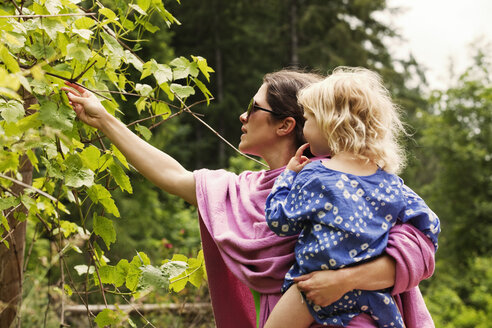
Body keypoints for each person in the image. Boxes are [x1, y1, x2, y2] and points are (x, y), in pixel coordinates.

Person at [62, 68, 437, 328]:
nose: (243, 115)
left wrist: (341, 280)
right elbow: (173, 175)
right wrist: (105, 119)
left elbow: (417, 254)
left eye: (254, 107)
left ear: (286, 125)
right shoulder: (245, 189)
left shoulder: (349, 184)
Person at [264, 67, 440, 328]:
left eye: (309, 119)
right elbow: (429, 224)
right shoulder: (392, 184)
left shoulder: (315, 175)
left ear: (330, 123)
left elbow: (279, 221)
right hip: (372, 294)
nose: (306, 128)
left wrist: (287, 176)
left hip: (311, 287)